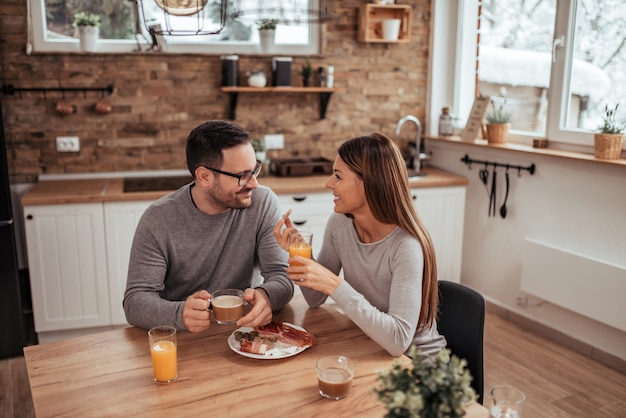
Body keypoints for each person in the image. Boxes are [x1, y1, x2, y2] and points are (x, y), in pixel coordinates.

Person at [274, 133, 446, 358]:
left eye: (338, 176)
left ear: (368, 183)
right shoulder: (340, 224)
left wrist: (335, 284)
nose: (328, 184)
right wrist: (301, 253)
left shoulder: (406, 246)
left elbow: (398, 342)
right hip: (371, 345)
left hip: (417, 366)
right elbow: (314, 299)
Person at [124, 120, 293, 332]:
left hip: (243, 332)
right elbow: (135, 302)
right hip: (184, 337)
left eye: (254, 170)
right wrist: (180, 313)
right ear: (204, 177)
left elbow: (281, 275)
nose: (253, 184)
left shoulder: (262, 202)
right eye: (242, 176)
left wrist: (267, 296)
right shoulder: (158, 219)